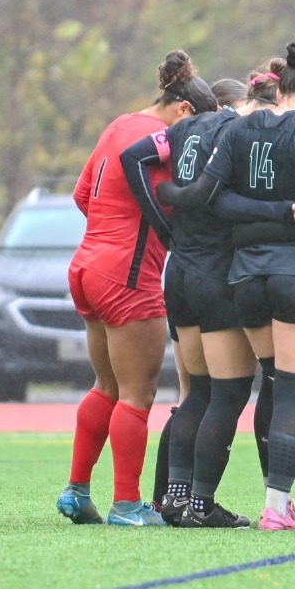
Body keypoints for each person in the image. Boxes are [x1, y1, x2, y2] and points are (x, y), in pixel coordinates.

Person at [163, 43, 295, 530]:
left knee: (249, 388)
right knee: (288, 394)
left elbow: (209, 197)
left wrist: (170, 194)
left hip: (245, 276)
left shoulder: (238, 128)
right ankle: (275, 507)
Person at [56, 50, 213, 527]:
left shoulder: (119, 124)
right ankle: (126, 504)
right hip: (128, 273)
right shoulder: (161, 139)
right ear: (185, 111)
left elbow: (82, 195)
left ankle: (76, 490)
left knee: (105, 384)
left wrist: (112, 229)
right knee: (137, 393)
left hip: (87, 265)